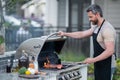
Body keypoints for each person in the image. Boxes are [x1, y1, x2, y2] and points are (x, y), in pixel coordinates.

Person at [58, 4, 116, 80]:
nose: (89, 19)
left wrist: (92, 60)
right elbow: (81, 34)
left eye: (91, 17)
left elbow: (110, 50)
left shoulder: (107, 29)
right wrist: (65, 34)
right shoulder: (96, 27)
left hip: (107, 65)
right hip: (99, 63)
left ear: (97, 14)